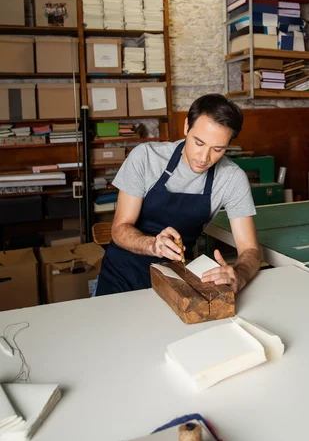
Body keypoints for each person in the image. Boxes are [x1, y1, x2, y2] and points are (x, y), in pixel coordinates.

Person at [95, 94, 260, 296]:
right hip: (121, 276)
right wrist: (153, 245)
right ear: (186, 128)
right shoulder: (146, 157)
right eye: (198, 143)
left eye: (217, 149)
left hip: (175, 279)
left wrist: (239, 275)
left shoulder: (232, 178)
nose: (204, 157)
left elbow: (250, 250)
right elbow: (119, 229)